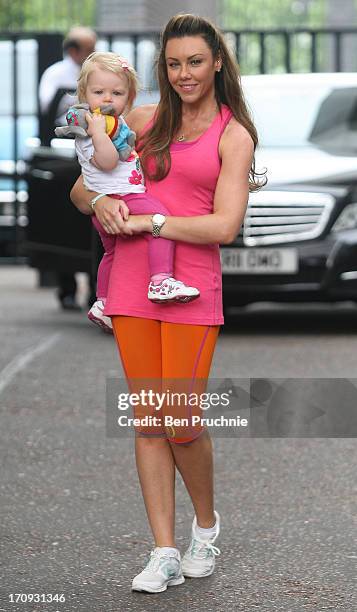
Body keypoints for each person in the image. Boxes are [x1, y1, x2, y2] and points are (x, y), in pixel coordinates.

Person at [71, 13, 264, 594]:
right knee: (149, 418)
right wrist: (98, 207)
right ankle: (164, 549)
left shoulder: (234, 135)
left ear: (218, 63)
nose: (184, 74)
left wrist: (153, 219)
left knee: (181, 420)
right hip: (132, 283)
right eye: (174, 63)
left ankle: (206, 526)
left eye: (195, 62)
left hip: (191, 288)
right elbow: (85, 185)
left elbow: (226, 224)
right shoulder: (141, 119)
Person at [56, 51, 200, 333]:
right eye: (99, 92)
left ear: (129, 97)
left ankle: (102, 301)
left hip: (118, 198)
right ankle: (160, 280)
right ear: (84, 94)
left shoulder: (118, 125)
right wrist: (99, 134)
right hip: (122, 198)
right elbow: (107, 162)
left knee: (111, 254)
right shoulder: (89, 130)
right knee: (160, 218)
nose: (108, 99)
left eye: (117, 93)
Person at [38, 27, 97, 311]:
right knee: (64, 221)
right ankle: (67, 289)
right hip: (66, 152)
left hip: (95, 151)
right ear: (74, 50)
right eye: (88, 48)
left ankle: (96, 291)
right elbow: (48, 109)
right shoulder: (56, 74)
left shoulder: (97, 71)